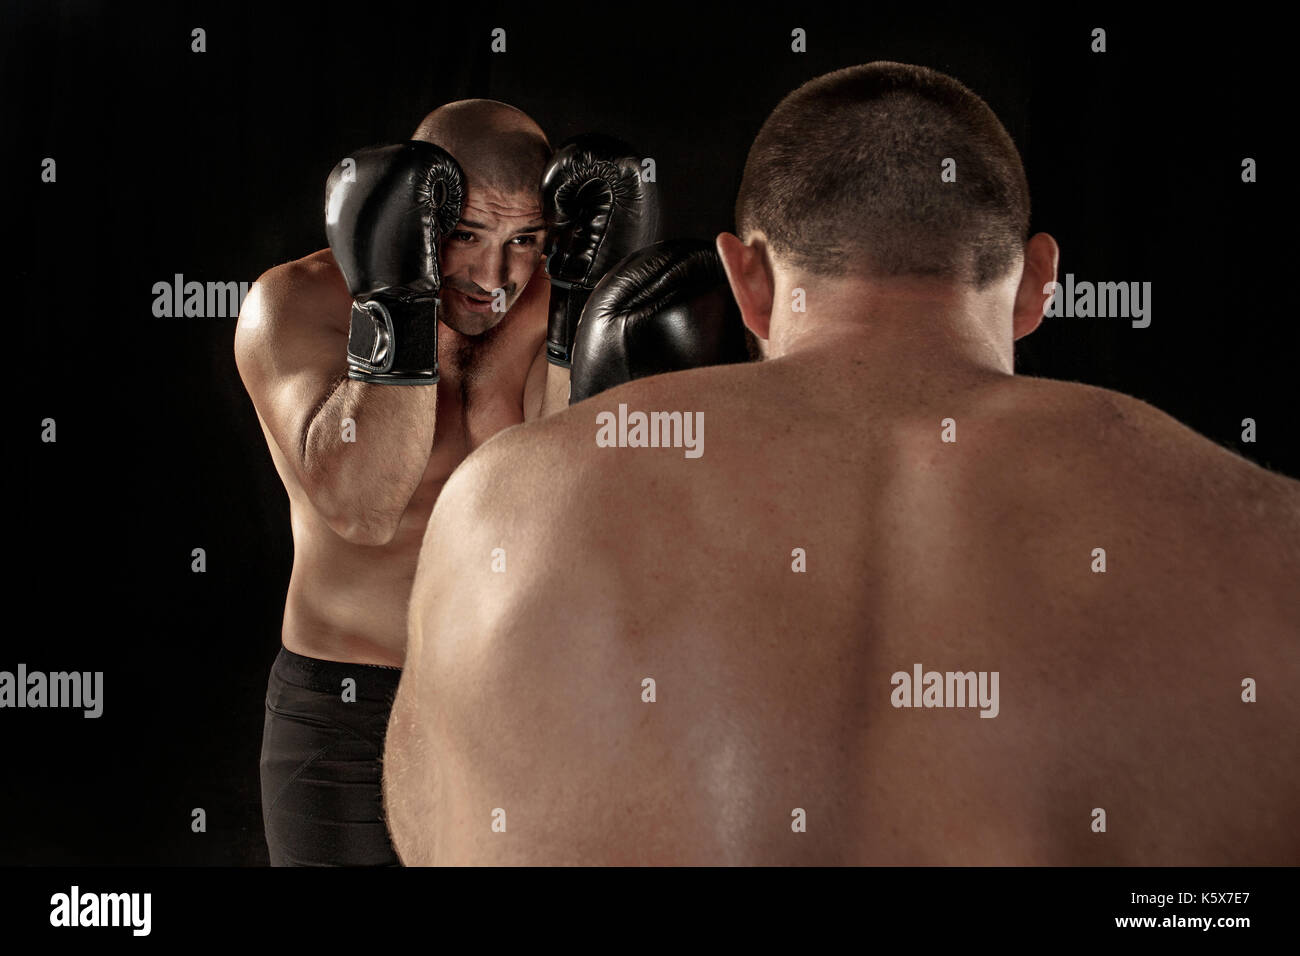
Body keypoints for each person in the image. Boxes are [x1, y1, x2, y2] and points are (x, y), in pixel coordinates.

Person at [384, 63, 1300, 865]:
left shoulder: (501, 504)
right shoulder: (1268, 535)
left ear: (745, 280)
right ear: (1035, 286)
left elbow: (438, 836)